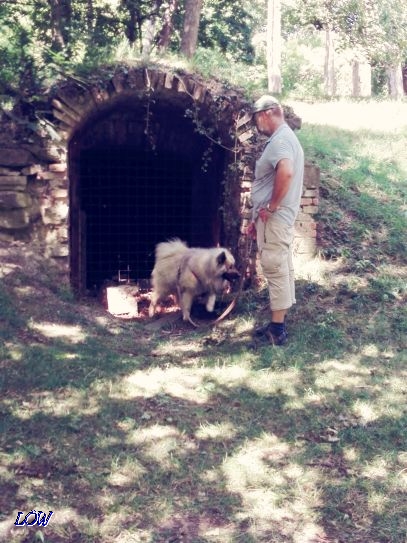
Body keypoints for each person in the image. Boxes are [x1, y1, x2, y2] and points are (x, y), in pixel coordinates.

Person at [246, 95, 304, 346]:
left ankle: (277, 331)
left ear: (267, 114)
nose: (258, 125)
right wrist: (256, 220)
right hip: (272, 220)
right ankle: (277, 324)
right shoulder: (286, 138)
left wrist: (271, 207)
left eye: (257, 119)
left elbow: (286, 171)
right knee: (282, 267)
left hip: (275, 219)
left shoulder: (281, 139)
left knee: (275, 267)